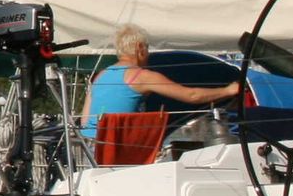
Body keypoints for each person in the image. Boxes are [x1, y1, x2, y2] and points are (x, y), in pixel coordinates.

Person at [80, 23, 241, 141]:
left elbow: (85, 121)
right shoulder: (141, 76)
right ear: (140, 48)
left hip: (90, 150)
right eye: (147, 48)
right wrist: (228, 90)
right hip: (118, 151)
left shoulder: (100, 76)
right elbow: (191, 95)